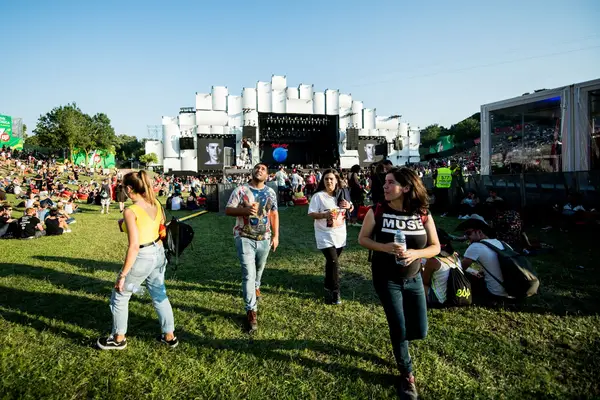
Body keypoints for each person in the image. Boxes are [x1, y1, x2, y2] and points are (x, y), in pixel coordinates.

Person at [358, 167, 440, 399]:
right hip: (386, 278)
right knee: (399, 327)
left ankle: (400, 344)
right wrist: (384, 247)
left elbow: (435, 246)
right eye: (384, 182)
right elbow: (362, 239)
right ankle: (407, 375)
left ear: (405, 188)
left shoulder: (422, 213)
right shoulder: (378, 211)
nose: (384, 186)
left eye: (390, 182)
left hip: (413, 278)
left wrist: (415, 254)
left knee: (421, 331)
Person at [97, 170, 177, 350]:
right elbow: (157, 227)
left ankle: (118, 338)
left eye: (123, 187)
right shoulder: (155, 202)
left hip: (143, 256)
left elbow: (134, 246)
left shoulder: (130, 210)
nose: (122, 190)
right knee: (159, 293)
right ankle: (169, 335)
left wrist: (123, 275)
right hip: (158, 253)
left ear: (130, 188)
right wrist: (125, 225)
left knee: (120, 295)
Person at [225, 163, 279, 333]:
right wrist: (245, 210)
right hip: (244, 237)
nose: (260, 170)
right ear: (252, 172)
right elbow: (228, 210)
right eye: (257, 168)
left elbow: (274, 214)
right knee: (248, 273)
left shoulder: (270, 192)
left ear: (267, 175)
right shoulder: (240, 190)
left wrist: (276, 236)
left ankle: (257, 285)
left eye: (263, 169)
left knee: (259, 268)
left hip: (265, 238)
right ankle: (251, 311)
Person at [308, 169, 353, 304]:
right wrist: (324, 215)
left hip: (340, 234)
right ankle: (335, 292)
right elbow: (311, 214)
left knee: (331, 262)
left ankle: (327, 284)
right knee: (333, 261)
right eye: (326, 179)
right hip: (324, 234)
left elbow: (351, 208)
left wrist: (349, 206)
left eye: (331, 179)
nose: (329, 181)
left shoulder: (342, 193)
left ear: (337, 180)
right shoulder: (318, 196)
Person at [456, 215, 511, 305]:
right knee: (475, 272)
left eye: (469, 233)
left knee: (460, 272)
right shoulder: (502, 243)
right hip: (512, 291)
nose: (467, 237)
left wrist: (453, 258)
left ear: (479, 232)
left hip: (495, 293)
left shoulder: (475, 246)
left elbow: (460, 268)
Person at [421, 229, 461, 306]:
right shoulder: (455, 256)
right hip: (456, 295)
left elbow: (425, 282)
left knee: (416, 283)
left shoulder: (433, 261)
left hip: (440, 299)